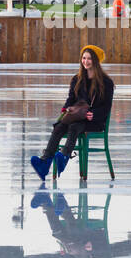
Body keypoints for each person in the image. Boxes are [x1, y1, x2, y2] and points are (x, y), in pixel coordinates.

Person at [30, 45, 115, 181]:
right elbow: (71, 98)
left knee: (74, 127)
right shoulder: (77, 79)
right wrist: (66, 109)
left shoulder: (106, 82)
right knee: (59, 127)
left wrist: (94, 114)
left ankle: (63, 158)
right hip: (77, 116)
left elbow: (107, 106)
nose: (85, 61)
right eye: (84, 58)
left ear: (96, 61)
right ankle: (44, 164)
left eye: (89, 59)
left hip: (94, 121)